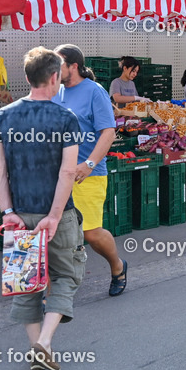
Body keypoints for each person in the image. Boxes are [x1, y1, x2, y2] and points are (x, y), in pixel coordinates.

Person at [0, 47, 85, 370]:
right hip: (56, 214)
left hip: (20, 214)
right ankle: (43, 342)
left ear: (28, 78)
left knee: (26, 281)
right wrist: (55, 215)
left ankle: (37, 347)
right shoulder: (65, 118)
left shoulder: (2, 116)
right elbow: (68, 172)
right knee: (67, 275)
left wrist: (7, 212)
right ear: (55, 77)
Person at [54, 45, 127, 297]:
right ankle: (58, 287)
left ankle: (117, 265)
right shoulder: (55, 91)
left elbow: (108, 132)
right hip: (59, 174)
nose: (54, 69)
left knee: (90, 233)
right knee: (55, 230)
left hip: (88, 174)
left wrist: (89, 164)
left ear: (74, 66)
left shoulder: (94, 91)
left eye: (58, 64)